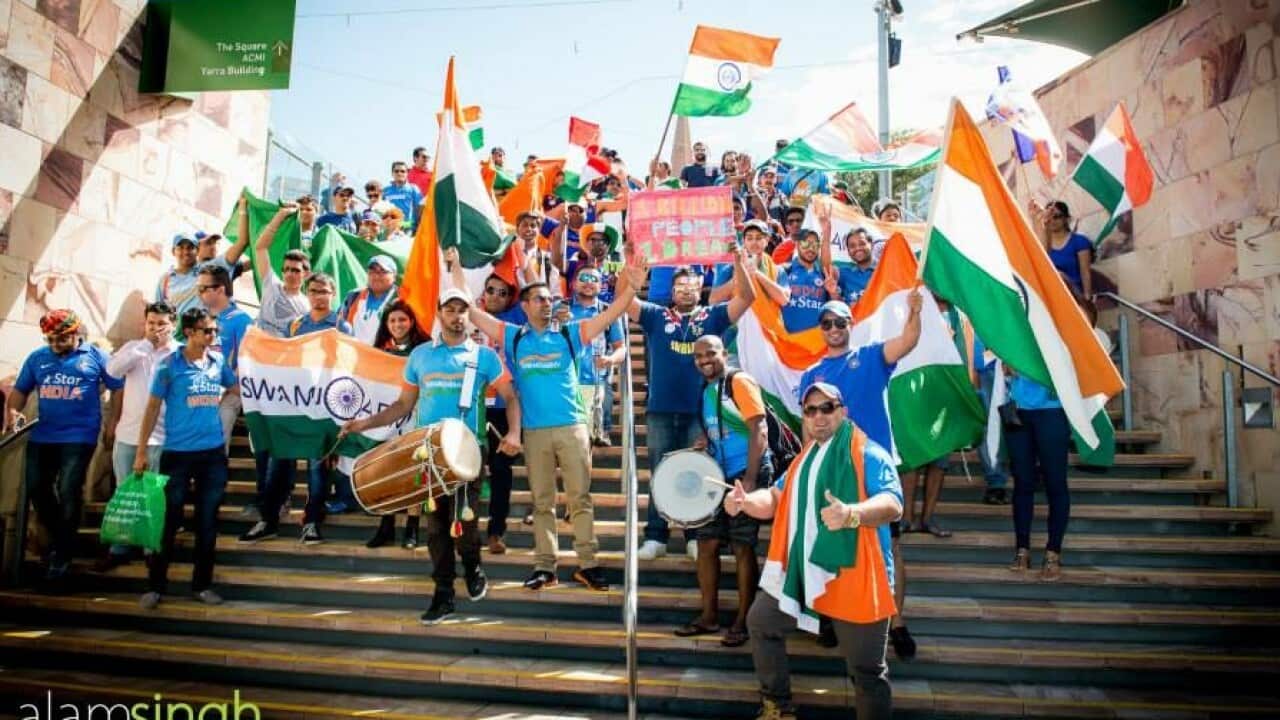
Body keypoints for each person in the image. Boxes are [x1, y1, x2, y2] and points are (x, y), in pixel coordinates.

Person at [456, 248, 646, 592]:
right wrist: (456, 267)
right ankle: (545, 566)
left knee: (580, 499)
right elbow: (471, 311)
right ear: (525, 306)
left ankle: (588, 563)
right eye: (538, 299)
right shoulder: (513, 335)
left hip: (573, 426)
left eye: (549, 298)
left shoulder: (571, 333)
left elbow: (614, 313)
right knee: (542, 501)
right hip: (535, 431)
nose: (546, 303)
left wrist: (631, 287)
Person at [342, 287, 521, 624]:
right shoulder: (420, 355)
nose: (456, 316)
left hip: (470, 449)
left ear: (470, 315)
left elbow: (510, 397)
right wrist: (362, 423)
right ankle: (443, 593)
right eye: (450, 310)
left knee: (464, 523)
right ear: (439, 314)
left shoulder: (484, 357)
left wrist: (513, 432)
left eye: (462, 310)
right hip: (428, 451)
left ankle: (472, 565)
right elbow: (402, 405)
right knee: (437, 529)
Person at [731, 382, 902, 720]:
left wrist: (853, 513)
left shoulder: (868, 453)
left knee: (867, 671)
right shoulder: (803, 461)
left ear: (843, 411)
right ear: (804, 417)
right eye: (811, 410)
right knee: (762, 620)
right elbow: (776, 499)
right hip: (804, 569)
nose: (819, 416)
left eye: (828, 408)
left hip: (856, 572)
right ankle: (777, 706)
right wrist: (746, 501)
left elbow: (892, 504)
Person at [797, 296, 922, 660]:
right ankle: (832, 616)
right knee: (831, 545)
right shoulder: (811, 374)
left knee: (890, 547)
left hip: (873, 469)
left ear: (852, 325)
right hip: (832, 471)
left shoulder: (871, 356)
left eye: (840, 323)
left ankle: (896, 622)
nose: (834, 329)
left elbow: (908, 341)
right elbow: (809, 428)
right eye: (827, 324)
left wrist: (914, 313)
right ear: (820, 330)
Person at [633, 254, 756, 562]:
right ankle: (656, 536)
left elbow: (748, 297)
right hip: (660, 409)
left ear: (702, 286)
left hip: (699, 412)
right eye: (679, 285)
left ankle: (694, 535)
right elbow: (625, 303)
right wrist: (630, 267)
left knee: (697, 473)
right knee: (659, 472)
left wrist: (739, 261)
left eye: (691, 284)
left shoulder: (713, 316)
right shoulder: (655, 315)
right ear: (671, 291)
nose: (686, 289)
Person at [4, 310, 123, 580]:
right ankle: (63, 537)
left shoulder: (95, 356)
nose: (56, 344)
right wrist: (13, 412)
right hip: (43, 434)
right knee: (36, 488)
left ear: (76, 333)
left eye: (62, 339)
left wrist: (114, 421)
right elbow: (20, 390)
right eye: (51, 339)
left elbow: (118, 386)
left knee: (68, 488)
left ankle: (62, 553)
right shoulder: (37, 358)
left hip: (79, 436)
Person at [134, 307, 239, 610]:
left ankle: (202, 585)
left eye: (215, 331)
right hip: (177, 454)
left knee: (207, 522)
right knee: (169, 520)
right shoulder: (169, 366)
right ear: (190, 332)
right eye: (207, 331)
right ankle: (155, 586)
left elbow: (238, 387)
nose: (213, 336)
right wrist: (141, 451)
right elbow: (152, 409)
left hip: (212, 454)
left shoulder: (218, 362)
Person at [239, 273, 352, 546]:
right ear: (307, 292)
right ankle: (268, 520)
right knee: (277, 464)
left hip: (323, 408)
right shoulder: (295, 325)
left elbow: (347, 367)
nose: (318, 295)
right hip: (292, 405)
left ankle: (312, 523)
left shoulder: (341, 326)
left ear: (333, 293)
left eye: (324, 291)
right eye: (314, 290)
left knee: (317, 469)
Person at [674, 336, 771, 648]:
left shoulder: (738, 381)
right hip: (716, 476)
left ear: (724, 354)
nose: (704, 360)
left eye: (710, 353)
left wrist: (752, 480)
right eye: (698, 356)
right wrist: (706, 440)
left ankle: (743, 621)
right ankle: (708, 615)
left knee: (743, 547)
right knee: (707, 544)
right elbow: (721, 426)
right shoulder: (708, 388)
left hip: (746, 473)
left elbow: (759, 428)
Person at [363, 300, 432, 549]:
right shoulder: (379, 352)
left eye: (402, 319)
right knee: (387, 471)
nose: (397, 325)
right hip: (389, 421)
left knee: (415, 471)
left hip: (416, 417)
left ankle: (412, 528)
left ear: (411, 321)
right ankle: (386, 525)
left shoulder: (424, 351)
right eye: (392, 320)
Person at [105, 301, 176, 516]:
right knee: (125, 495)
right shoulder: (133, 348)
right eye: (151, 323)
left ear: (174, 325)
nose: (155, 329)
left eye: (161, 324)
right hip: (127, 436)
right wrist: (146, 346)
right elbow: (113, 371)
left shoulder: (179, 353)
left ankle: (149, 547)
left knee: (153, 498)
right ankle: (123, 546)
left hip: (161, 437)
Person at [476, 273, 525, 554]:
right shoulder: (468, 317)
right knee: (466, 471)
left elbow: (532, 284)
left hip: (503, 408)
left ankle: (496, 531)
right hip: (470, 409)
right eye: (490, 289)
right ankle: (462, 528)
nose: (495, 295)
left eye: (502, 292)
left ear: (510, 299)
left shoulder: (515, 322)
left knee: (500, 470)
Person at [1005, 370, 1071, 582]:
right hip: (1017, 408)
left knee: (1055, 483)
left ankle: (1053, 554)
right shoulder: (1015, 335)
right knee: (1022, 482)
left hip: (1053, 409)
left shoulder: (1060, 334)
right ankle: (1022, 550)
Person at [564, 266, 626, 447]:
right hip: (565, 381)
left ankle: (602, 430)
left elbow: (621, 348)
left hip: (595, 380)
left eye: (594, 279)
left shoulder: (609, 312)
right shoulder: (560, 309)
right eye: (584, 277)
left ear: (601, 286)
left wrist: (610, 360)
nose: (589, 282)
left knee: (590, 439)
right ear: (574, 283)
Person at [196, 264, 252, 450]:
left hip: (229, 393)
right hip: (199, 390)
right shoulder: (200, 318)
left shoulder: (241, 320)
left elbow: (246, 361)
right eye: (198, 288)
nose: (199, 293)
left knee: (215, 445)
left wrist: (228, 388)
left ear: (220, 290)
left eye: (203, 288)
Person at [778, 229, 840, 333]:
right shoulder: (783, 270)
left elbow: (837, 308)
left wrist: (833, 293)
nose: (810, 249)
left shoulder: (824, 275)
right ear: (797, 245)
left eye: (815, 245)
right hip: (788, 343)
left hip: (818, 343)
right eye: (806, 243)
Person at [1031, 199, 1093, 298]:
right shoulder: (1042, 243)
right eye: (1048, 217)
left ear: (1066, 219)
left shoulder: (1079, 241)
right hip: (1051, 295)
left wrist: (1087, 298)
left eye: (1056, 216)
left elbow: (1085, 272)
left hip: (1074, 295)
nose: (1052, 220)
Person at [339, 255, 399, 345]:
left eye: (383, 272)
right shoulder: (354, 296)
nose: (376, 276)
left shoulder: (402, 299)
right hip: (353, 353)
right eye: (372, 272)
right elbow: (339, 322)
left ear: (394, 276)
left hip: (388, 356)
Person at [156, 233, 202, 319]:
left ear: (197, 251)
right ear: (173, 251)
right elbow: (158, 311)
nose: (186, 252)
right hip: (176, 331)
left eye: (190, 248)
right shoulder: (165, 280)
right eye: (181, 248)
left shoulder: (205, 273)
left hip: (201, 330)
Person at [384, 161, 426, 228]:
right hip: (390, 229)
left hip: (408, 230)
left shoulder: (413, 189)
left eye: (402, 171)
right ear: (392, 173)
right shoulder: (385, 191)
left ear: (407, 173)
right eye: (396, 171)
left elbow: (420, 210)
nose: (399, 173)